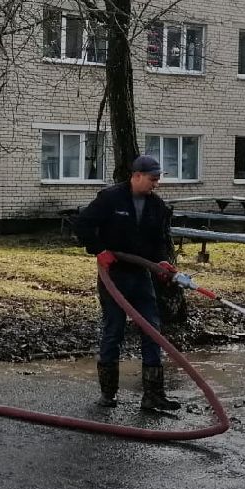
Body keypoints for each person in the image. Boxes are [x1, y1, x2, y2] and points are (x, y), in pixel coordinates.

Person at [73, 154, 182, 413]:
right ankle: (108, 395)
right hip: (114, 275)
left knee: (152, 328)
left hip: (141, 275)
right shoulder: (110, 199)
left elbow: (158, 241)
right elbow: (82, 225)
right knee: (114, 330)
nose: (156, 184)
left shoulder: (156, 206)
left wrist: (161, 263)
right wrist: (99, 250)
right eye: (153, 179)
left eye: (158, 179)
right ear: (137, 176)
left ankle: (153, 396)